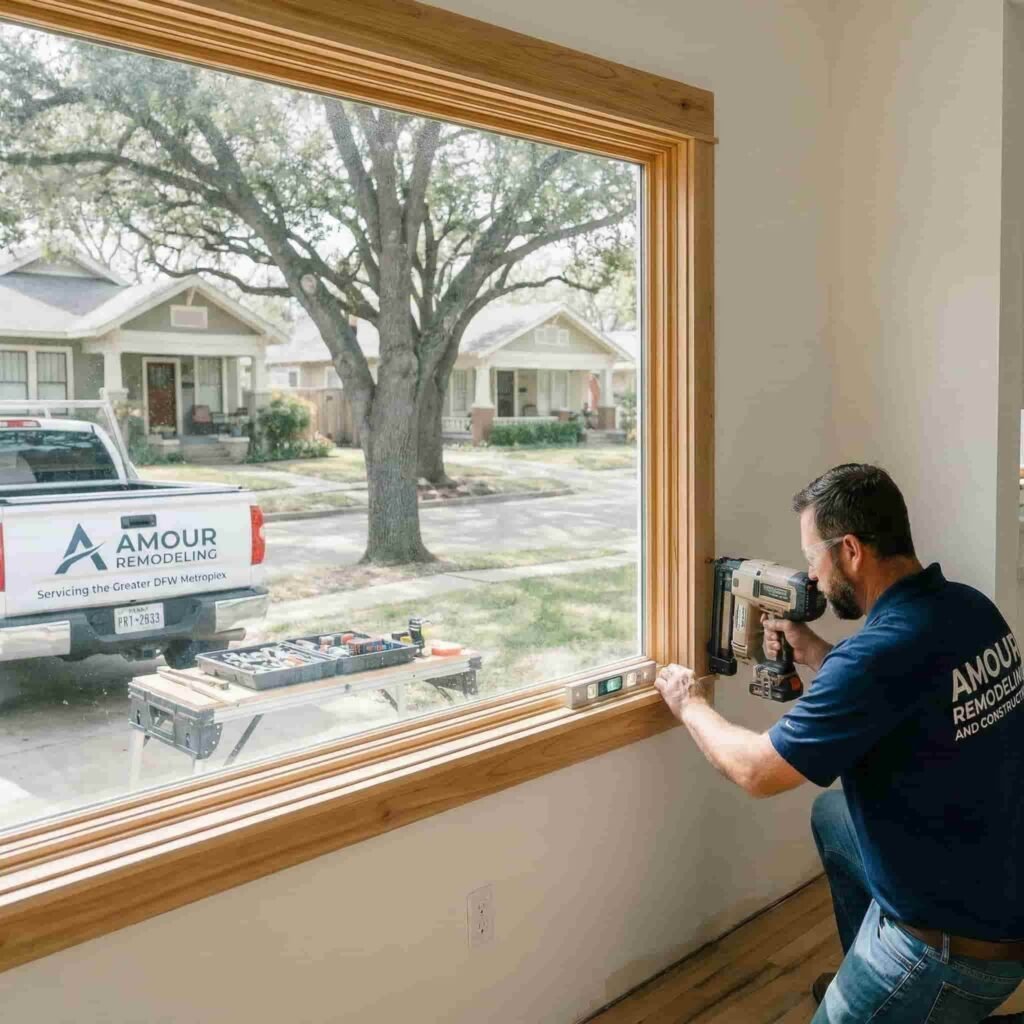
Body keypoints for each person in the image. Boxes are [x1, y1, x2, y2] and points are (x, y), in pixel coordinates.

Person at [654, 464, 1024, 1023]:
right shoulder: (968, 608)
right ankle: (869, 966)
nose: (813, 579)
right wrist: (812, 650)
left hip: (955, 949)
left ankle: (899, 985)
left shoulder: (875, 658)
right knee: (833, 813)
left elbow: (758, 772)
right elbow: (902, 697)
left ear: (850, 549)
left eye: (812, 560)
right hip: (1001, 890)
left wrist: (690, 703)